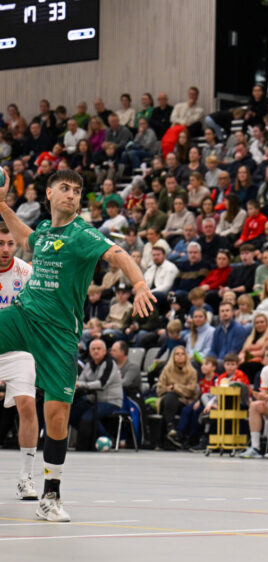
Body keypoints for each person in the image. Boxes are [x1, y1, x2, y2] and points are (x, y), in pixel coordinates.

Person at [0, 168, 154, 521]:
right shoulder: (45, 231)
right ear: (49, 194)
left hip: (59, 335)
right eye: (65, 188)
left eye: (77, 190)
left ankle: (50, 495)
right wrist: (3, 206)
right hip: (25, 315)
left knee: (57, 415)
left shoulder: (83, 234)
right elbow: (27, 239)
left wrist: (139, 284)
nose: (71, 194)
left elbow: (118, 254)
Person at [0, 222, 39, 499]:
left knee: (27, 404)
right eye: (0, 244)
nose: (5, 249)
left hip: (18, 349)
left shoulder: (26, 272)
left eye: (10, 244)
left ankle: (26, 477)